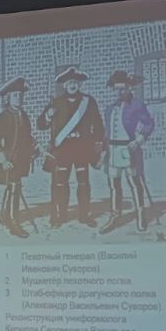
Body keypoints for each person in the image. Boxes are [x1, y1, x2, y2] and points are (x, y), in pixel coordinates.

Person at [37, 67, 104, 226]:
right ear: (64, 85)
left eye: (75, 82)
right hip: (63, 149)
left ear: (79, 84)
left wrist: (97, 143)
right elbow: (41, 125)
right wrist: (48, 115)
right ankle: (60, 216)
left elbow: (98, 124)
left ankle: (84, 215)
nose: (72, 85)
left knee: (83, 183)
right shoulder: (56, 103)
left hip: (82, 148)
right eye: (69, 83)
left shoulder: (88, 101)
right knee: (60, 184)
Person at [100, 70, 155, 234]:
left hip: (128, 149)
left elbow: (149, 124)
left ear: (129, 88)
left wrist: (138, 140)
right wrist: (103, 149)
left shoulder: (137, 105)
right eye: (117, 89)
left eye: (123, 89)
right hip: (113, 150)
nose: (120, 92)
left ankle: (140, 215)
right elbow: (107, 131)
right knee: (114, 185)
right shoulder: (111, 108)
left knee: (134, 183)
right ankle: (115, 216)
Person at [0, 76, 36, 238]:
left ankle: (4, 214)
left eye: (20, 95)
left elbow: (28, 138)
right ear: (8, 98)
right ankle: (12, 221)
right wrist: (3, 160)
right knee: (14, 187)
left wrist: (37, 149)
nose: (18, 98)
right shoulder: (4, 116)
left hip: (21, 161)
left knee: (14, 186)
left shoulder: (24, 115)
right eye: (15, 95)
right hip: (9, 160)